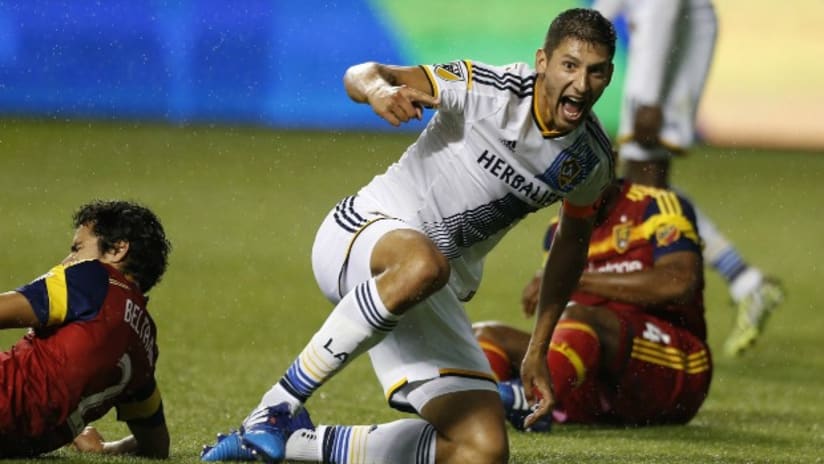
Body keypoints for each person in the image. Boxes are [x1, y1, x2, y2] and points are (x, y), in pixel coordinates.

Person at [202, 8, 617, 464]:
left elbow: (572, 243)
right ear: (542, 61)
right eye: (569, 65)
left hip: (428, 289)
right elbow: (362, 73)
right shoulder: (488, 90)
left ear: (609, 75)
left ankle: (296, 445)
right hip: (360, 233)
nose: (580, 84)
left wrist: (538, 348)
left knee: (481, 449)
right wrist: (379, 91)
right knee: (424, 264)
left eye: (595, 72)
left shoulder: (591, 161)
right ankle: (275, 407)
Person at [591, 0, 784, 357]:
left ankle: (735, 282)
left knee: (644, 188)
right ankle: (744, 280)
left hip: (672, 33)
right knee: (646, 189)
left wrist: (648, 97)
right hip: (664, 32)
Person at [475, 178, 711, 429]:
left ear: (610, 162)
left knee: (582, 316)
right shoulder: (558, 230)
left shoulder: (655, 205)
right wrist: (537, 351)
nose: (580, 179)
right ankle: (480, 409)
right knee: (486, 334)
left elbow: (680, 282)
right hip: (600, 380)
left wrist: (574, 278)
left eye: (589, 167)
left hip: (676, 370)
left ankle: (532, 401)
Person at [0, 200, 172, 458]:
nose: (68, 260)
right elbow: (157, 445)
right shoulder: (146, 345)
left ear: (117, 249)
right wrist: (104, 448)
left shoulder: (93, 278)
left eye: (77, 248)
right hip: (18, 444)